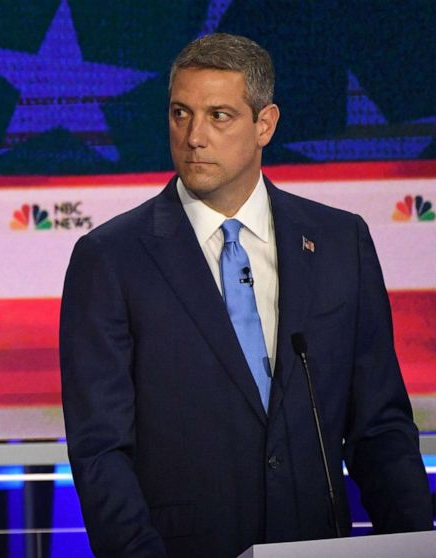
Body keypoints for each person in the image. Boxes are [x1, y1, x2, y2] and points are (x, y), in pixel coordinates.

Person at [60, 33, 432, 558]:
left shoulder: (339, 243)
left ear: (265, 124)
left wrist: (414, 544)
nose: (194, 137)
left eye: (219, 116)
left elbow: (380, 426)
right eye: (180, 113)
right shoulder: (111, 259)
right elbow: (100, 450)